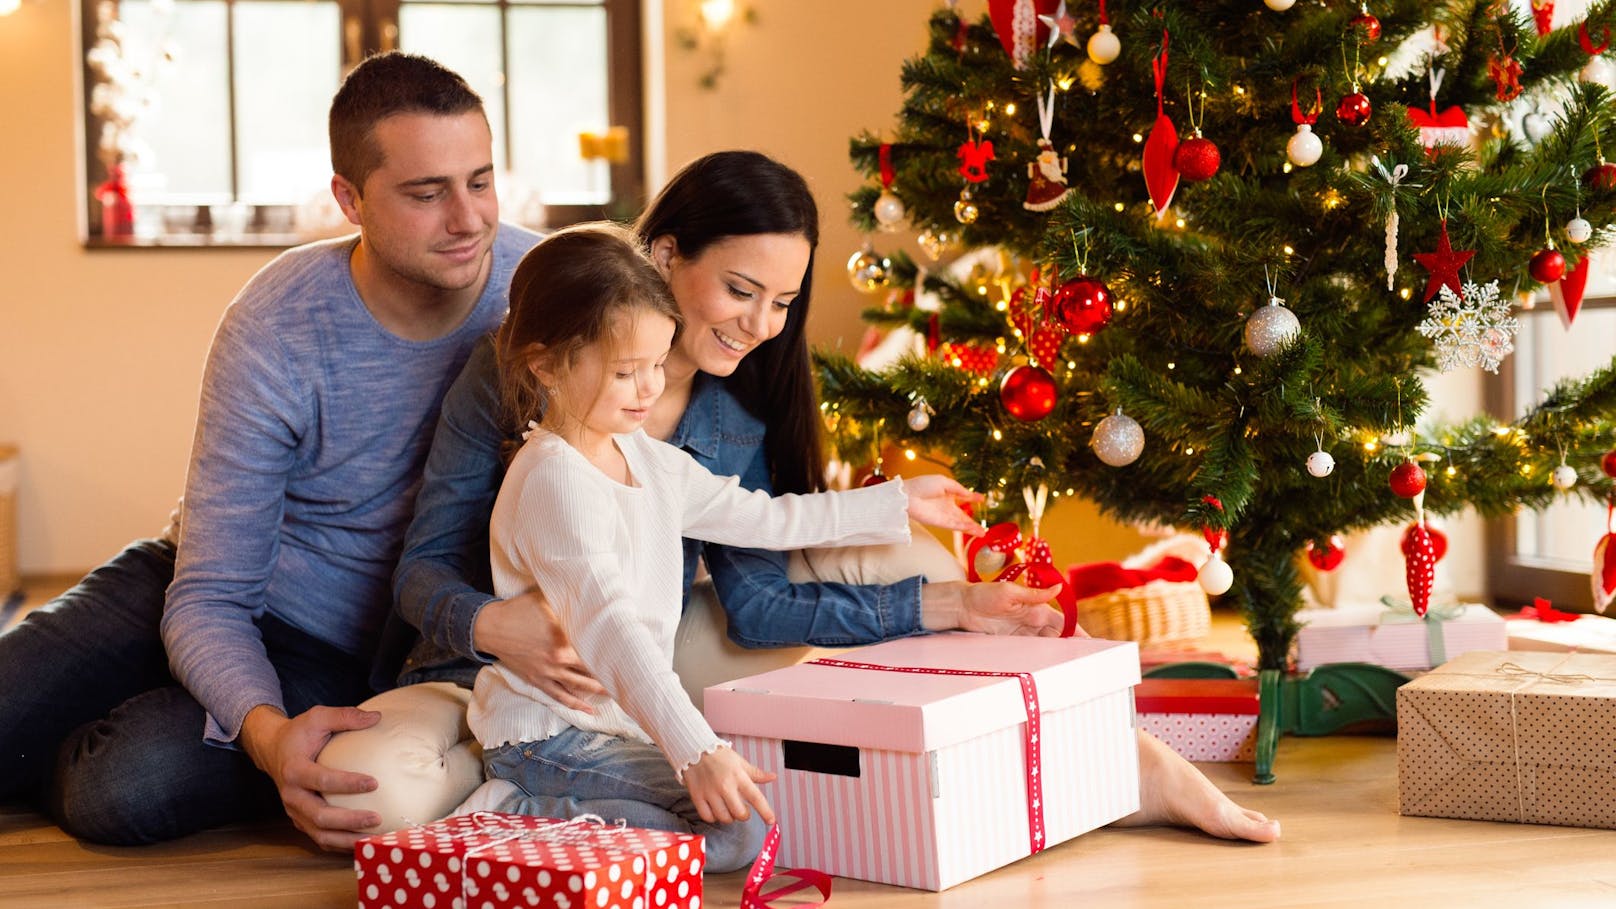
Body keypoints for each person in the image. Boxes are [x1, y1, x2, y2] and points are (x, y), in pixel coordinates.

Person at [382, 150, 1280, 845]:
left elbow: (761, 555)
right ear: (664, 257)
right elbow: (434, 575)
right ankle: (534, 815)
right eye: (739, 290)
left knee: (911, 566)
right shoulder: (529, 382)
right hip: (516, 683)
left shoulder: (709, 424)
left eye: (781, 301)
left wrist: (921, 544)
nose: (761, 325)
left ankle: (1108, 765)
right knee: (394, 790)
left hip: (647, 663)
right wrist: (494, 626)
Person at [0, 51, 540, 851]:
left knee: (120, 788)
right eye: (427, 194)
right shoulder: (277, 323)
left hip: (346, 648)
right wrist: (260, 733)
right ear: (349, 199)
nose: (468, 219)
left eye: (481, 180)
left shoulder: (542, 294)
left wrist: (274, 729)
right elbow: (210, 589)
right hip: (197, 581)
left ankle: (108, 732)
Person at [468, 222, 988, 871]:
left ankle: (555, 828)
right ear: (546, 363)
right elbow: (612, 629)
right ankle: (512, 814)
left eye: (658, 364)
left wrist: (895, 500)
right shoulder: (552, 479)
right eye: (628, 372)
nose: (652, 388)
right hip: (544, 736)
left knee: (739, 823)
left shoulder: (647, 460)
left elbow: (763, 519)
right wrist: (697, 749)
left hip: (612, 727)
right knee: (733, 834)